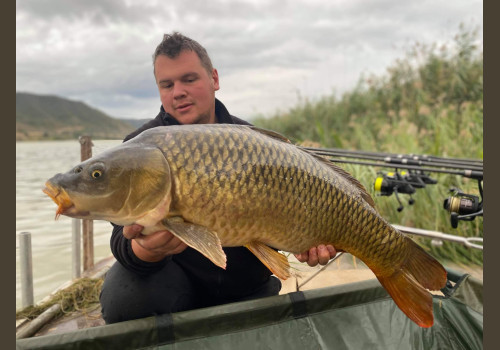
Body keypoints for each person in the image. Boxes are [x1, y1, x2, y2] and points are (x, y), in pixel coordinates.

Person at [99, 32, 337, 324]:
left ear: (214, 78)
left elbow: (283, 222)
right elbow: (119, 236)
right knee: (122, 298)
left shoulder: (253, 142)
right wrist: (144, 251)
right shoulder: (139, 148)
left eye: (189, 79)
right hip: (178, 289)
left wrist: (311, 241)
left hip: (248, 284)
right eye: (167, 84)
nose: (178, 92)